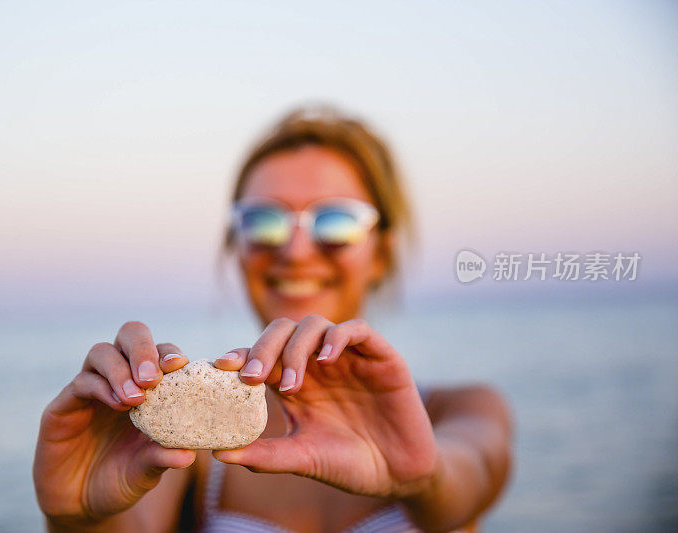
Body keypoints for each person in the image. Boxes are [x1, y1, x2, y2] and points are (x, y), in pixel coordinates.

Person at [33, 105, 513, 532]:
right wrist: (78, 521)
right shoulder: (195, 445)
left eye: (336, 221)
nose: (295, 250)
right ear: (235, 249)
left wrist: (425, 477)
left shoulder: (464, 411)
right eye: (263, 222)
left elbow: (466, 481)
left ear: (382, 253)